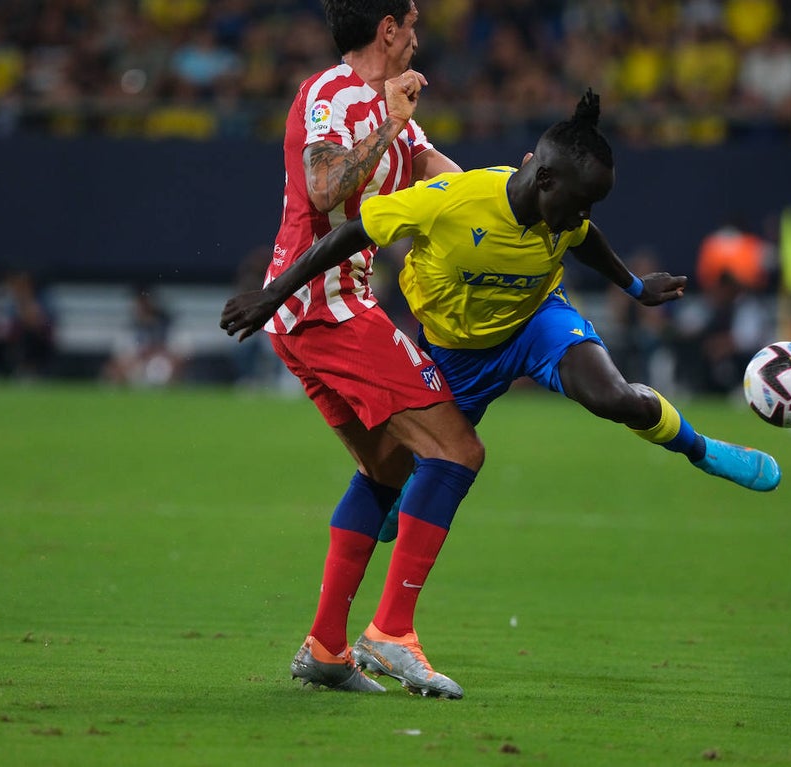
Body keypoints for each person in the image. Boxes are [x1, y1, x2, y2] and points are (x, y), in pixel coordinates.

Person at [223, 88, 782, 660]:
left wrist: (636, 288)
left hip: (536, 323)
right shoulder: (453, 199)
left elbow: (586, 240)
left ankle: (701, 449)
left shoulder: (566, 211)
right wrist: (273, 294)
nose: (582, 218)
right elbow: (352, 231)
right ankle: (333, 639)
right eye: (579, 204)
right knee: (390, 473)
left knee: (615, 397)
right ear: (543, 180)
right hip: (452, 354)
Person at [225, 0, 483, 698]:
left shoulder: (391, 106)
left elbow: (439, 172)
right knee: (456, 450)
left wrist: (508, 199)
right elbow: (325, 187)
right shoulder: (331, 95)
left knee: (388, 470)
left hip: (324, 311)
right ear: (387, 30)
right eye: (413, 25)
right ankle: (391, 631)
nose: (419, 39)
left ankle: (326, 647)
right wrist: (393, 121)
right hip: (324, 310)